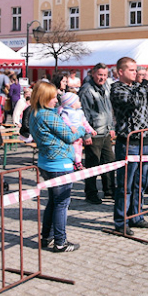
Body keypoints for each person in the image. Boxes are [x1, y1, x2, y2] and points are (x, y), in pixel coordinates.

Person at [30, 81, 86, 252]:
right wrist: (82, 130)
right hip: (59, 164)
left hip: (46, 163)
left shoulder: (34, 113)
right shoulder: (48, 116)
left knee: (53, 202)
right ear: (44, 98)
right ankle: (61, 242)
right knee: (61, 203)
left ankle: (46, 237)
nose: (57, 100)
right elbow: (69, 136)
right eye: (53, 98)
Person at [110, 57, 148, 235]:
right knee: (125, 185)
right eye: (131, 70)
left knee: (141, 182)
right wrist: (144, 82)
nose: (135, 73)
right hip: (128, 143)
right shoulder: (117, 88)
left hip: (145, 141)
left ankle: (136, 215)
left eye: (136, 70)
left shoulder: (139, 88)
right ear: (120, 72)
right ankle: (121, 221)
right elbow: (133, 102)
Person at [78, 63, 116, 204]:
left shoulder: (106, 88)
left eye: (105, 75)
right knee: (92, 165)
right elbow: (83, 114)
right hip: (94, 133)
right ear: (93, 74)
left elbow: (108, 109)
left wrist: (111, 126)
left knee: (109, 163)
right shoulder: (86, 90)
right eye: (100, 75)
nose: (102, 78)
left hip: (105, 132)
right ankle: (91, 193)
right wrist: (86, 135)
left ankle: (110, 190)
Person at [59, 92, 95, 170]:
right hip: (72, 133)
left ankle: (78, 162)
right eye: (78, 101)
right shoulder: (66, 112)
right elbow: (64, 120)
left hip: (79, 134)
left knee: (79, 148)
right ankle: (75, 162)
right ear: (72, 104)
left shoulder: (80, 112)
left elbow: (84, 122)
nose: (80, 103)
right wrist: (71, 126)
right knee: (74, 148)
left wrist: (90, 130)